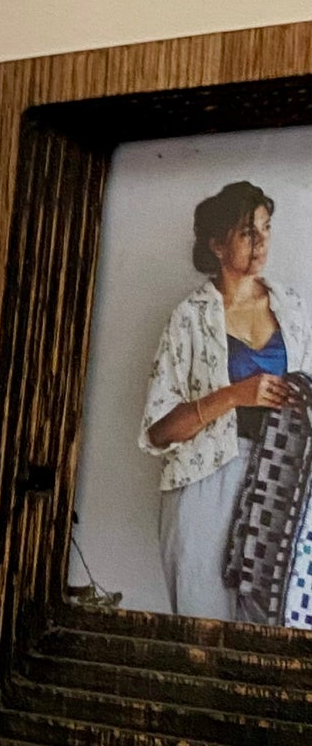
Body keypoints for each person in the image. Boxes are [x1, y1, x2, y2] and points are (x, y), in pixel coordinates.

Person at [140, 180, 312, 620]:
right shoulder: (189, 318)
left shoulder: (292, 307)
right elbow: (159, 431)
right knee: (203, 622)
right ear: (217, 245)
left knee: (269, 628)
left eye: (266, 228)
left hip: (280, 483)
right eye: (247, 233)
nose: (261, 242)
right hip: (205, 483)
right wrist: (237, 394)